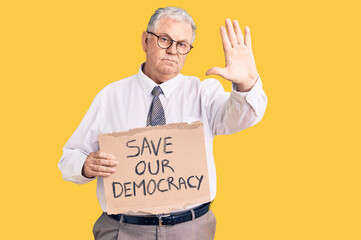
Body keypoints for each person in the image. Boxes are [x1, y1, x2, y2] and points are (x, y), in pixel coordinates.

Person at [58, 6, 267, 240]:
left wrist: (246, 85)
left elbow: (244, 115)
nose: (173, 51)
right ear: (146, 40)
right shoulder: (110, 96)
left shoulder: (204, 93)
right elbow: (68, 158)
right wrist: (85, 166)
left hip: (191, 228)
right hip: (124, 230)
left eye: (182, 45)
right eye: (165, 40)